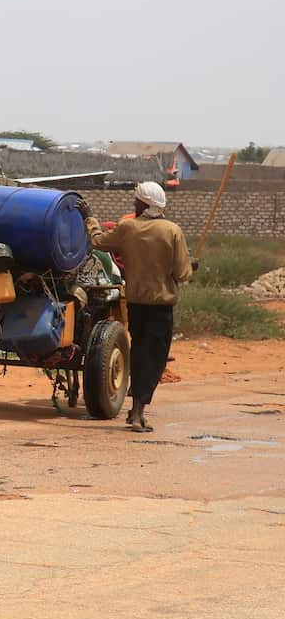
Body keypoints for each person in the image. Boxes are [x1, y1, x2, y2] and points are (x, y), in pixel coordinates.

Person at [80, 182, 195, 433]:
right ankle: (138, 412)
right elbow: (182, 273)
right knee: (154, 359)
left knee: (140, 352)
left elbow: (98, 241)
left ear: (145, 204)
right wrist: (191, 265)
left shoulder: (128, 228)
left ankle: (136, 406)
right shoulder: (172, 231)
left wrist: (90, 219)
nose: (134, 203)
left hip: (135, 305)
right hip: (161, 307)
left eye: (137, 201)